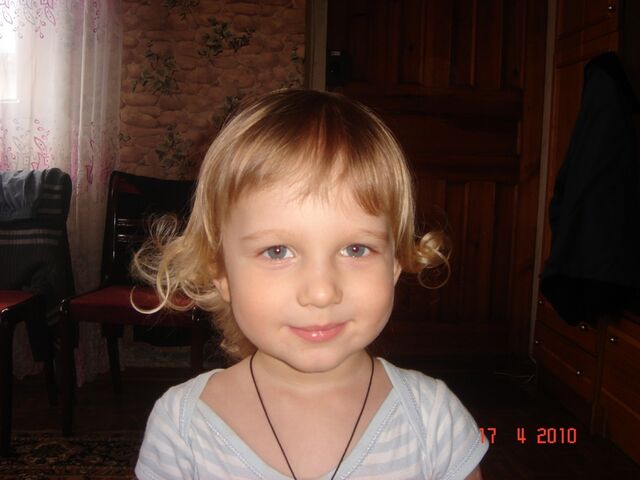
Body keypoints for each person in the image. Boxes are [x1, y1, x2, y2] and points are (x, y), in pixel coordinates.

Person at [133, 89, 488, 479]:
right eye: (277, 251)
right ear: (220, 272)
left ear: (395, 264)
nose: (321, 292)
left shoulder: (434, 422)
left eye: (356, 249)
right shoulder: (181, 429)